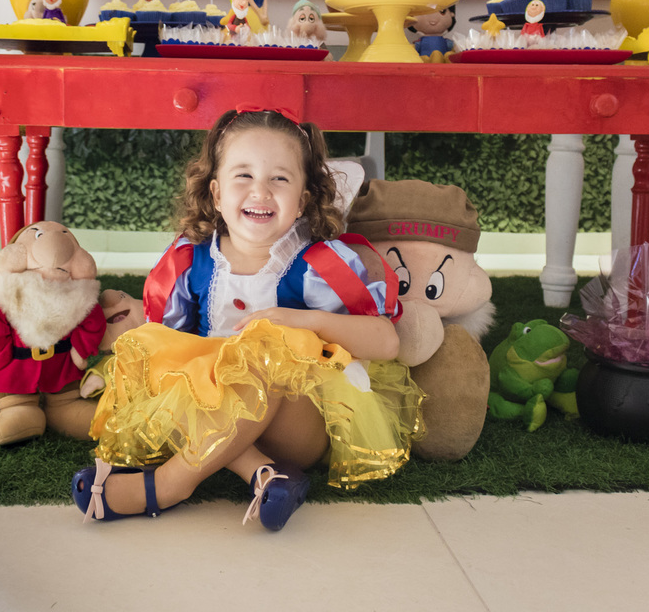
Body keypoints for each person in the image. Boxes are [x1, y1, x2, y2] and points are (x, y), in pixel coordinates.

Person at [74, 108, 424, 530]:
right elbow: (167, 342)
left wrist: (295, 321)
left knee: (264, 345)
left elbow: (386, 341)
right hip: (214, 415)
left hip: (296, 421)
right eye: (243, 176)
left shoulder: (320, 264)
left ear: (303, 200)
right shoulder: (190, 260)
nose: (260, 191)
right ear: (217, 194)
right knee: (154, 353)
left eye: (279, 178)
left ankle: (169, 485)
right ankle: (263, 474)